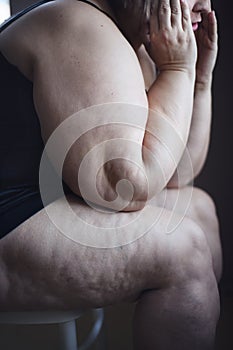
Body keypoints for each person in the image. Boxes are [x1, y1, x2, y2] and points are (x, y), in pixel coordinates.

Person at [0, 0, 222, 348]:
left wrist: (198, 80)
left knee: (198, 210)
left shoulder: (133, 41)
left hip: (40, 205)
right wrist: (177, 70)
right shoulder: (83, 27)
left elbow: (177, 172)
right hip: (7, 218)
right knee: (184, 252)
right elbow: (123, 187)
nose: (203, 6)